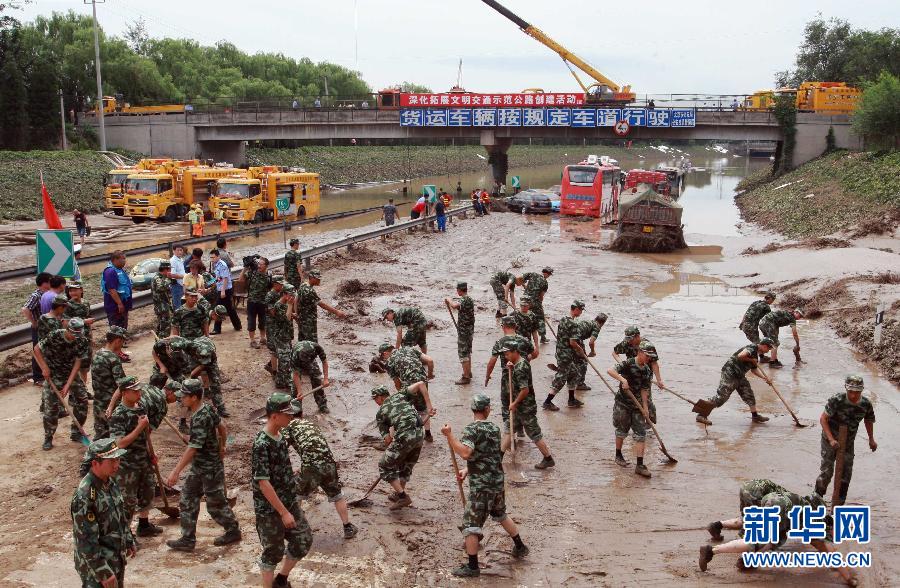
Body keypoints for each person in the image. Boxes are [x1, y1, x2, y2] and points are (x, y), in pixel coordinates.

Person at [443, 393, 529, 578]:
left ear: (474, 410)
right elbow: (489, 456)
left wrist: (450, 436)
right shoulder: (494, 428)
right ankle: (520, 546)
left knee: (470, 524)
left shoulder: (471, 429)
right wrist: (467, 470)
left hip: (482, 486)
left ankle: (473, 567)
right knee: (500, 514)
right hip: (497, 481)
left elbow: (466, 453)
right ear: (487, 409)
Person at [698, 486, 855, 586]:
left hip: (772, 499)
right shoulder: (817, 525)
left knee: (757, 533)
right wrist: (849, 579)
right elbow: (830, 552)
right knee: (754, 542)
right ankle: (711, 551)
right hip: (781, 508)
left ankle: (719, 530)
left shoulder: (809, 508)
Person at [166, 379, 242, 552]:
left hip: (209, 468)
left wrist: (175, 472)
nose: (181, 399)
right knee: (187, 498)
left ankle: (233, 530)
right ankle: (187, 539)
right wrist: (222, 445)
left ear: (194, 397)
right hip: (200, 467)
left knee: (215, 504)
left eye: (184, 396)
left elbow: (193, 448)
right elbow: (221, 426)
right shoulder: (207, 408)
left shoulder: (200, 416)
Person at [252, 393, 313, 588]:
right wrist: (283, 512)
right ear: (275, 416)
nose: (291, 418)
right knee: (273, 552)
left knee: (303, 539)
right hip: (270, 510)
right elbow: (263, 483)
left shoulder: (280, 436)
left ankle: (282, 579)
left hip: (288, 501)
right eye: (287, 414)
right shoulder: (261, 444)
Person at [71, 438, 135, 588]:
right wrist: (103, 573)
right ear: (95, 463)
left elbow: (120, 517)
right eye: (111, 461)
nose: (116, 465)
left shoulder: (110, 483)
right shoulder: (85, 496)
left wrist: (128, 538)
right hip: (96, 569)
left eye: (118, 459)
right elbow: (86, 541)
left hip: (115, 559)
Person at [282, 416, 358, 539]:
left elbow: (281, 450)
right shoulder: (310, 424)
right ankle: (348, 527)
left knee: (296, 495)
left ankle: (294, 531)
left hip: (310, 467)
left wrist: (288, 472)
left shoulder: (288, 427)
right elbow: (316, 448)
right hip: (329, 462)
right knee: (336, 495)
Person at [109, 376, 163, 539]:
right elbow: (119, 443)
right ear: (125, 393)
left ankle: (144, 525)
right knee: (128, 501)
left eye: (139, 390)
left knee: (147, 492)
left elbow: (146, 435)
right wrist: (140, 427)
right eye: (134, 391)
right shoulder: (118, 415)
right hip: (127, 464)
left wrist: (151, 453)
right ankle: (125, 535)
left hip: (143, 459)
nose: (139, 393)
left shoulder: (140, 408)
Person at [814, 374, 877, 505]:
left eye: (857, 392)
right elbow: (823, 419)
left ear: (861, 390)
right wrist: (831, 440)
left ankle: (838, 504)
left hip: (848, 441)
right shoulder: (837, 400)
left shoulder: (865, 404)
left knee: (846, 473)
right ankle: (817, 499)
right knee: (827, 470)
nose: (854, 395)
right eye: (851, 392)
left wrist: (871, 439)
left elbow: (868, 420)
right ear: (846, 389)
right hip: (830, 438)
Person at [33, 318, 89, 449]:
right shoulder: (55, 335)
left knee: (83, 400)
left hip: (70, 374)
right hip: (53, 374)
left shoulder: (82, 340)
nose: (76, 338)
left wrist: (68, 385)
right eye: (74, 334)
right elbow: (36, 349)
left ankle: (76, 432)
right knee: (51, 409)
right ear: (68, 329)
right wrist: (44, 368)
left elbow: (78, 362)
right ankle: (48, 437)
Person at [606, 341, 657, 478]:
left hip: (637, 406)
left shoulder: (646, 370)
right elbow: (610, 370)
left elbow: (644, 390)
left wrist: (645, 408)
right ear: (640, 352)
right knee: (622, 430)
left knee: (641, 434)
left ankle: (639, 465)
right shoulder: (628, 363)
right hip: (623, 403)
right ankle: (618, 455)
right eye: (647, 355)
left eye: (650, 357)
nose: (649, 359)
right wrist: (622, 380)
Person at [371, 385, 426, 509]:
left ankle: (402, 497)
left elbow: (388, 440)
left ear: (380, 397)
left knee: (384, 465)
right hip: (420, 434)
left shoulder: (380, 413)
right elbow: (421, 384)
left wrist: (391, 444)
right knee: (406, 465)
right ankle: (398, 492)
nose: (376, 402)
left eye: (375, 399)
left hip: (405, 437)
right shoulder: (401, 395)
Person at [696, 339, 775, 426]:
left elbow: (754, 370)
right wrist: (751, 360)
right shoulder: (752, 348)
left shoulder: (756, 355)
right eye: (769, 349)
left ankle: (755, 416)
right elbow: (740, 356)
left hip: (740, 375)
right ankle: (701, 415)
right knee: (722, 397)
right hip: (730, 373)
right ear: (764, 346)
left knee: (749, 395)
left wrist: (764, 378)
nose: (768, 351)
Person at [502, 341, 555, 469]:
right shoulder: (522, 362)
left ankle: (548, 458)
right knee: (509, 429)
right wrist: (511, 367)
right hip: (520, 406)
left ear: (515, 352)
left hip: (525, 407)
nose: (506, 357)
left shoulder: (520, 368)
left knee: (534, 433)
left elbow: (524, 390)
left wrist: (514, 403)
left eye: (508, 354)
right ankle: (498, 457)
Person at [611, 326, 663, 423]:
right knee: (631, 398)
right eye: (627, 339)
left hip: (645, 375)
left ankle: (649, 421)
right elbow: (614, 353)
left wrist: (659, 380)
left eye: (631, 339)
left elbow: (654, 363)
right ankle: (635, 421)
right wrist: (623, 364)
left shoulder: (648, 346)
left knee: (646, 398)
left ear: (637, 336)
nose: (629, 341)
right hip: (630, 375)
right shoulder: (626, 343)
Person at [545, 300, 587, 411]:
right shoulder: (573, 324)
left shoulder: (563, 319)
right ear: (576, 309)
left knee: (574, 373)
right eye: (581, 310)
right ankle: (547, 402)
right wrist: (581, 351)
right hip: (566, 355)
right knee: (561, 378)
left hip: (560, 352)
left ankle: (571, 400)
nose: (581, 312)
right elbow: (573, 342)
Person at [91, 326, 128, 439]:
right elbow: (122, 385)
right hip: (111, 404)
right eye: (122, 342)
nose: (122, 346)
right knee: (115, 437)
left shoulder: (97, 354)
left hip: (98, 402)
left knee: (100, 435)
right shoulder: (112, 359)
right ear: (117, 341)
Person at [295, 268, 346, 343]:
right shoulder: (309, 291)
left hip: (301, 319)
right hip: (308, 321)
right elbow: (322, 304)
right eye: (317, 279)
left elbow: (296, 300)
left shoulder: (303, 285)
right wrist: (336, 312)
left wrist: (297, 314)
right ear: (311, 278)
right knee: (311, 343)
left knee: (302, 341)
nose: (319, 281)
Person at [23, 272, 53, 384]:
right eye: (50, 281)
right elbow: (25, 309)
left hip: (45, 327)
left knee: (45, 350)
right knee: (38, 350)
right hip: (38, 327)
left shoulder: (47, 294)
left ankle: (45, 374)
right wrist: (33, 322)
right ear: (45, 283)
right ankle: (38, 377)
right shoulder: (36, 295)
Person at [289, 339, 331, 415]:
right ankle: (296, 409)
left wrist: (325, 379)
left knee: (317, 379)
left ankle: (322, 404)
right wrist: (299, 391)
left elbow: (324, 362)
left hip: (311, 360)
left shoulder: (317, 347)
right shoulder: (295, 356)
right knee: (295, 387)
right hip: (298, 360)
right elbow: (296, 374)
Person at [445, 282, 474, 384]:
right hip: (469, 330)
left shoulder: (464, 299)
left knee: (463, 353)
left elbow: (454, 305)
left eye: (457, 289)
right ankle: (468, 372)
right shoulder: (469, 299)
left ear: (460, 290)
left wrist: (449, 300)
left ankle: (466, 377)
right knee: (467, 351)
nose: (457, 291)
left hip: (464, 331)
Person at [240, 256, 272, 349]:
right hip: (252, 302)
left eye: (261, 264)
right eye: (258, 263)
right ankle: (252, 340)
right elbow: (241, 279)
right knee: (251, 321)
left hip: (263, 302)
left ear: (266, 266)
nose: (259, 266)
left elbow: (271, 288)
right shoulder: (252, 273)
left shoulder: (269, 275)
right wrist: (245, 268)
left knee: (263, 321)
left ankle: (263, 338)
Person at [269, 285, 296, 389]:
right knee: (285, 360)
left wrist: (293, 313)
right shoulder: (279, 305)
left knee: (286, 359)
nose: (292, 297)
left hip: (286, 335)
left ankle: (281, 380)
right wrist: (290, 306)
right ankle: (282, 381)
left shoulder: (285, 303)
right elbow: (286, 319)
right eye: (290, 295)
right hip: (281, 336)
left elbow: (289, 316)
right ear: (284, 294)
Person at [209, 249, 242, 333]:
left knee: (218, 308)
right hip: (222, 289)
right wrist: (209, 284)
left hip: (225, 290)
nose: (211, 259)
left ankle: (217, 329)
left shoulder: (222, 265)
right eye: (211, 258)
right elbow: (218, 278)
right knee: (230, 308)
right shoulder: (216, 264)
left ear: (218, 256)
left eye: (213, 257)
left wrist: (223, 291)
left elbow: (225, 278)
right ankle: (238, 325)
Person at [101, 251, 133, 334]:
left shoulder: (119, 270)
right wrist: (119, 304)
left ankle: (121, 343)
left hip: (121, 306)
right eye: (123, 259)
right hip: (115, 307)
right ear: (115, 259)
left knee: (122, 327)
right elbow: (112, 290)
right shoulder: (110, 272)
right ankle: (116, 344)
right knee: (116, 329)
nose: (125, 261)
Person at [520, 267, 552, 343]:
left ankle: (522, 336)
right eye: (549, 275)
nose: (549, 276)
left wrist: (525, 287)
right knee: (540, 318)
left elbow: (520, 279)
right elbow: (541, 296)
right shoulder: (545, 282)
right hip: (535, 302)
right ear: (547, 274)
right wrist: (540, 304)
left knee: (524, 316)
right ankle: (543, 337)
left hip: (524, 300)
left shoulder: (532, 274)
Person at [169, 245, 187, 310]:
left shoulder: (180, 259)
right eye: (178, 250)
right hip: (176, 285)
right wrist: (184, 276)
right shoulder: (173, 261)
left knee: (182, 303)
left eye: (181, 250)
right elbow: (172, 274)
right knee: (178, 305)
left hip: (181, 284)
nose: (180, 252)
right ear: (173, 251)